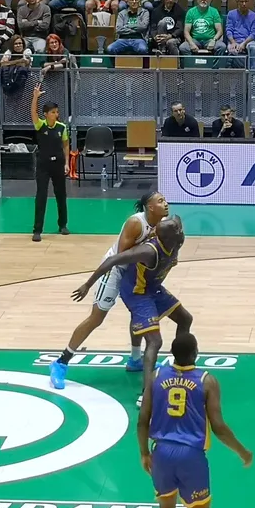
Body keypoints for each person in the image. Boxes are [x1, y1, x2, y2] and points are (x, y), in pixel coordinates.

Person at [138, 331, 252, 508]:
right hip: (191, 457)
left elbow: (142, 420)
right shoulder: (207, 381)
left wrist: (144, 452)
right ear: (196, 353)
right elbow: (219, 426)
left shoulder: (156, 377)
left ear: (173, 354)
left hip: (162, 452)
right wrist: (242, 451)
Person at [67, 216, 192, 407]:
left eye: (178, 227)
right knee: (155, 340)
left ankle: (180, 370)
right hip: (136, 292)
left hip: (153, 287)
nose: (181, 229)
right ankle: (146, 394)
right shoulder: (148, 251)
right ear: (166, 237)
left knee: (185, 319)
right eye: (176, 229)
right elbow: (113, 259)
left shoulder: (177, 239)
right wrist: (87, 284)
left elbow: (174, 221)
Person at [51, 190, 170, 380]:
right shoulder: (136, 223)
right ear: (150, 207)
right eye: (161, 201)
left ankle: (135, 359)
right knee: (96, 318)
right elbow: (120, 255)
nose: (166, 204)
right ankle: (61, 362)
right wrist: (88, 284)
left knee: (138, 313)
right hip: (114, 269)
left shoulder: (162, 224)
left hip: (134, 272)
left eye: (165, 200)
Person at [31, 86, 69, 241]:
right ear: (46, 114)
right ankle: (37, 230)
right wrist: (35, 97)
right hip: (43, 165)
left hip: (58, 164)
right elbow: (33, 113)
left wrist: (66, 163)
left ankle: (63, 225)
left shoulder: (62, 127)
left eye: (57, 112)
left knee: (61, 195)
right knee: (41, 196)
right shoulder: (40, 125)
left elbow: (66, 145)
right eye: (53, 112)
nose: (56, 114)